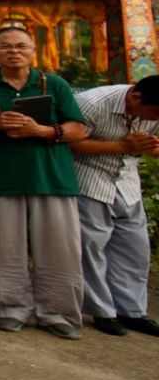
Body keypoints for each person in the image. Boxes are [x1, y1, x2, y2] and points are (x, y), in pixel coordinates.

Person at [0, 22, 90, 338]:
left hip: (52, 178)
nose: (13, 52)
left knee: (60, 249)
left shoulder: (54, 84)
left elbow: (78, 128)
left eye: (21, 46)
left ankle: (58, 313)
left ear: (33, 51)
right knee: (4, 248)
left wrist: (43, 131)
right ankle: (9, 309)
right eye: (6, 46)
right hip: (5, 177)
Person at [69, 77, 159, 337]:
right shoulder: (92, 103)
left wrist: (153, 148)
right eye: (155, 113)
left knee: (135, 248)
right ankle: (102, 311)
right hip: (89, 180)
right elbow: (70, 142)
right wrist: (122, 146)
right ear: (136, 98)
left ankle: (131, 311)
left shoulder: (153, 109)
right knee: (91, 247)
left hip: (127, 183)